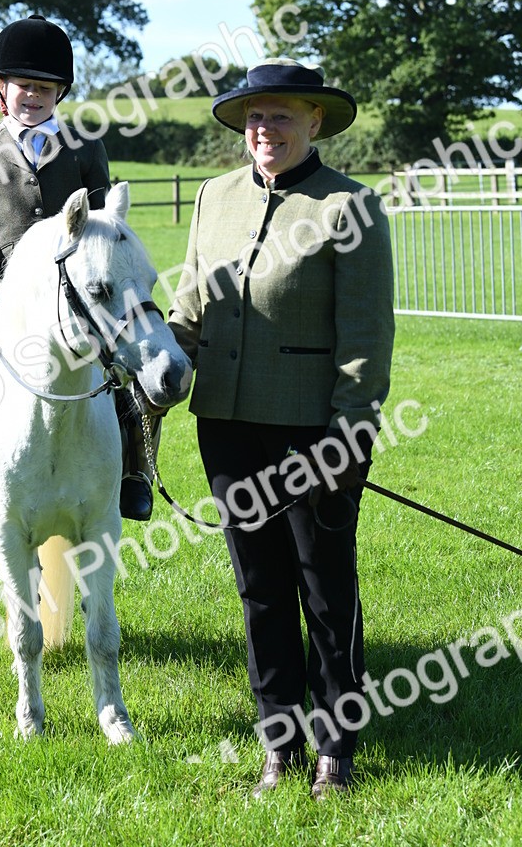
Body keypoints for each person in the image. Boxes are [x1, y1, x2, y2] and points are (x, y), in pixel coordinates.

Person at [168, 57, 394, 799]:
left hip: (312, 434)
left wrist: (348, 432)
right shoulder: (213, 197)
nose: (266, 130)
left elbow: (365, 338)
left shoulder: (349, 207)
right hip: (225, 426)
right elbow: (190, 308)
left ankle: (338, 746)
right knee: (259, 586)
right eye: (255, 117)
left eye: (282, 117)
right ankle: (279, 741)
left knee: (324, 588)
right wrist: (156, 372)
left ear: (315, 122)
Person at [0, 15, 154, 521]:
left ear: (59, 92)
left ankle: (135, 470)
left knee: (132, 350)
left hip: (75, 289)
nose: (34, 96)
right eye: (25, 86)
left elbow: (104, 225)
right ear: (3, 88)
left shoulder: (86, 149)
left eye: (45, 88)